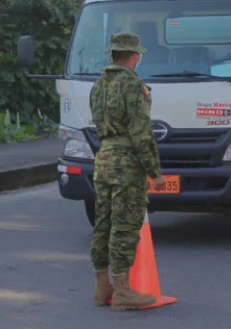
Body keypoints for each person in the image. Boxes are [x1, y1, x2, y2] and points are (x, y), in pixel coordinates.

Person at [89, 32, 166, 311]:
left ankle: (101, 286)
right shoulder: (134, 85)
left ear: (113, 55)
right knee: (124, 225)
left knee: (103, 223)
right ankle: (122, 292)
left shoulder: (99, 85)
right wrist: (154, 171)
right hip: (126, 164)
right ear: (134, 56)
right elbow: (141, 132)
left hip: (104, 159)